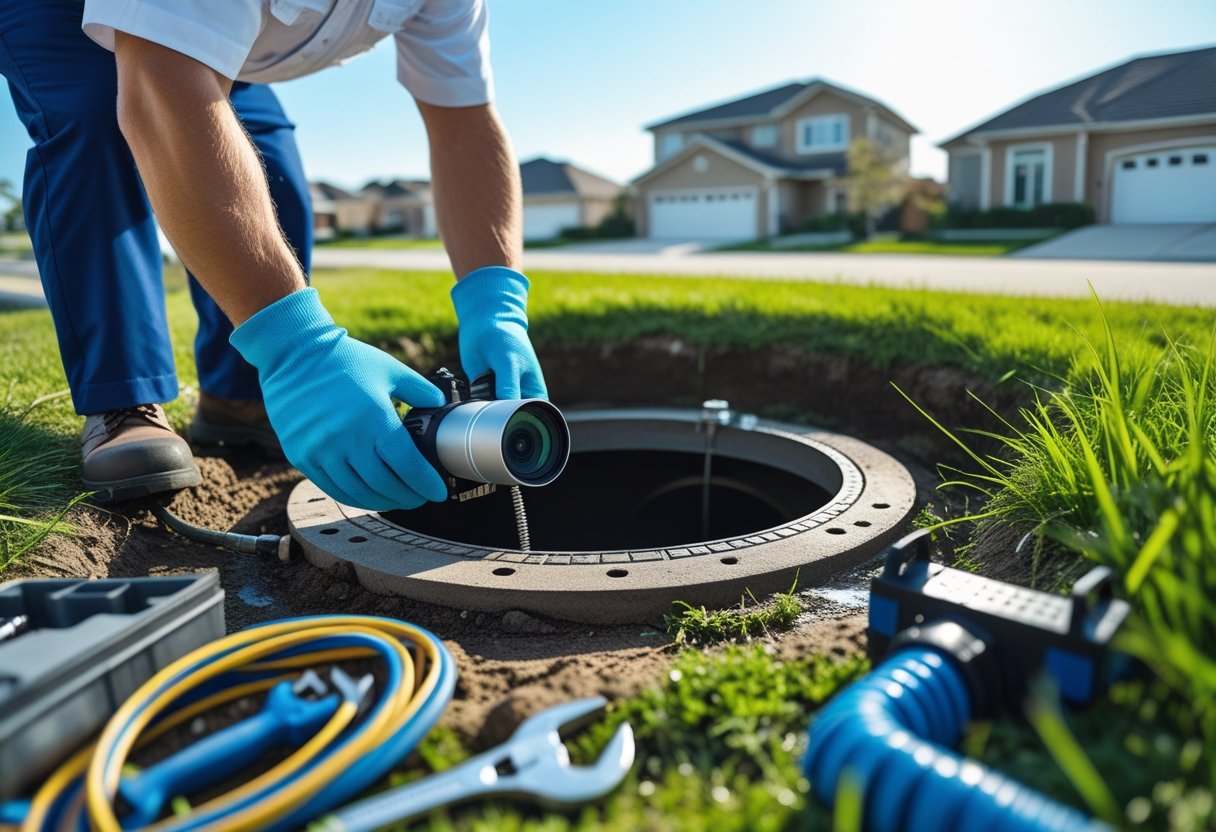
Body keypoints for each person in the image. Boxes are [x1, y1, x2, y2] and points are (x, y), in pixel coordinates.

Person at [0, 0, 546, 511]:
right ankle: (123, 403)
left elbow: (464, 124)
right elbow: (157, 92)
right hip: (62, 8)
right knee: (95, 117)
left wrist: (494, 304)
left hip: (212, 31)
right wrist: (297, 347)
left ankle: (236, 400)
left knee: (272, 170)